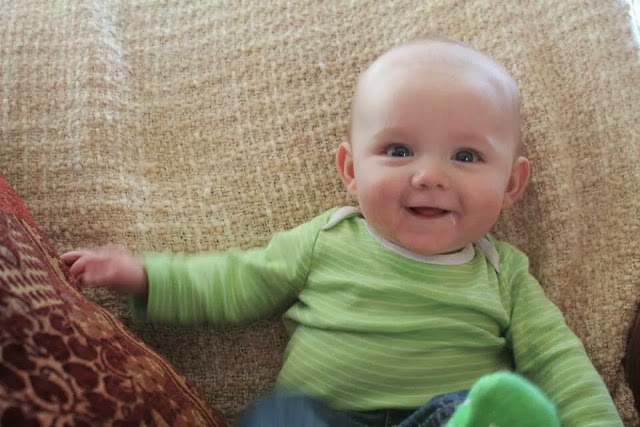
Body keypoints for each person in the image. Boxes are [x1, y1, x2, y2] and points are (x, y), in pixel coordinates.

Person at [62, 37, 623, 426]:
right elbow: (236, 280)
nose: (430, 176)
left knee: (489, 410)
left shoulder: (504, 273)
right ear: (351, 170)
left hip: (448, 415)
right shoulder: (327, 239)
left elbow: (559, 363)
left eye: (467, 156)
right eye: (398, 150)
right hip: (326, 419)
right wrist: (146, 276)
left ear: (512, 184)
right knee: (277, 415)